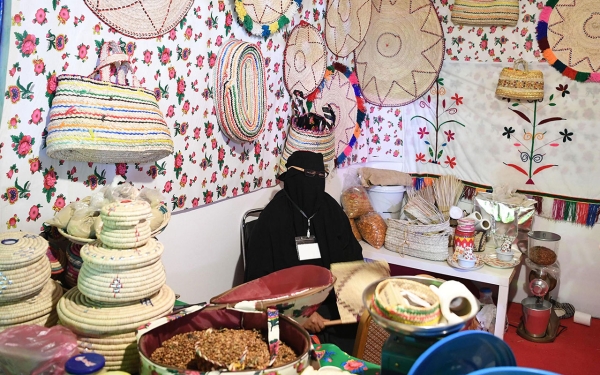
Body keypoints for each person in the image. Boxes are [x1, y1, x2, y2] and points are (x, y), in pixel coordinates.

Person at [244, 151, 363, 353]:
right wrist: (298, 314)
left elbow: (352, 259)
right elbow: (259, 284)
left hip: (334, 306)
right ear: (291, 177)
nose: (315, 181)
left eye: (320, 175)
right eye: (309, 174)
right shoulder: (272, 218)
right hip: (288, 309)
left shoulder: (330, 210)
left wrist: (358, 302)